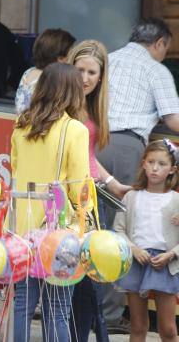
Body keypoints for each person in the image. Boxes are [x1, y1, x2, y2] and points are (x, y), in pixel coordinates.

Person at [99, 18, 179, 333]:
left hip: (94, 145)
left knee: (94, 226)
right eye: (166, 49)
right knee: (120, 226)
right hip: (126, 147)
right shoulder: (156, 70)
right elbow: (173, 119)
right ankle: (108, 314)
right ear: (158, 43)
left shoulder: (107, 60)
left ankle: (85, 309)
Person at [11, 62, 91, 342]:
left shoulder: (21, 126)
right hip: (58, 231)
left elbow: (17, 172)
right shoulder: (75, 130)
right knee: (57, 310)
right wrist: (88, 221)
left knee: (22, 305)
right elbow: (79, 187)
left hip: (21, 229)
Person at [67, 40, 129, 342]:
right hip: (68, 200)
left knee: (89, 280)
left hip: (91, 198)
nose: (85, 78)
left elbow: (89, 156)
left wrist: (113, 184)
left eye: (92, 72)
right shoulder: (62, 103)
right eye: (80, 70)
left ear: (101, 76)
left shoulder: (94, 105)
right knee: (73, 277)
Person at [114, 140, 179, 342]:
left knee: (168, 329)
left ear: (172, 169)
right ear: (143, 163)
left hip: (165, 264)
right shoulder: (131, 196)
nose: (155, 168)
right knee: (138, 325)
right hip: (136, 261)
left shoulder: (176, 200)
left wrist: (171, 254)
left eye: (162, 164)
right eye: (151, 162)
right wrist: (133, 249)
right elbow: (118, 230)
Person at [15, 28, 75, 113]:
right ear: (60, 59)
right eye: (71, 53)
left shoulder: (29, 72)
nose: (74, 58)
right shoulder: (54, 80)